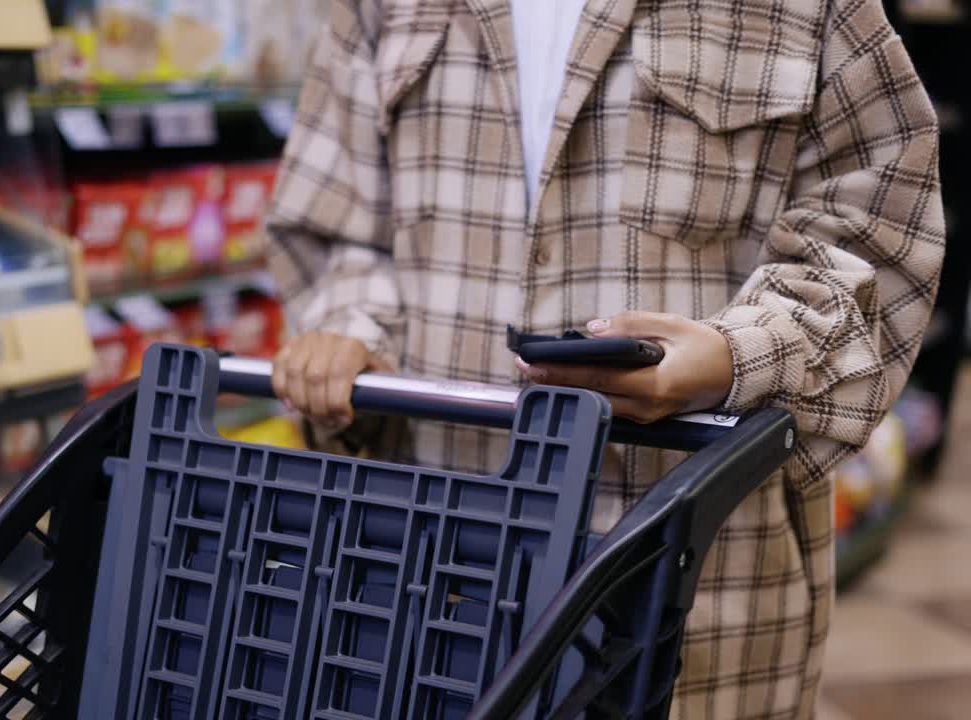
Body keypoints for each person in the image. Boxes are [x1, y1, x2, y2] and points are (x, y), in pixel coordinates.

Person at [264, 0, 945, 716]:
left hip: (700, 587)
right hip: (430, 578)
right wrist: (349, 328)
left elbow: (877, 228)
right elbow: (334, 213)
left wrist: (735, 356)